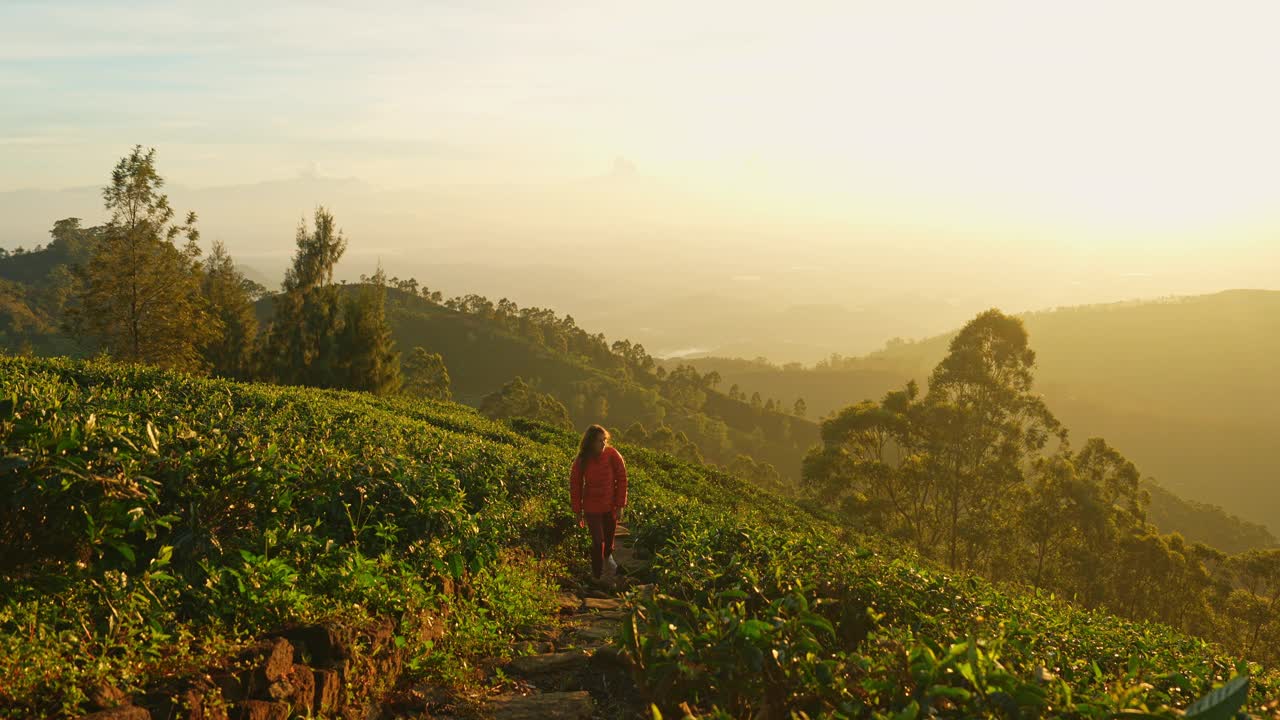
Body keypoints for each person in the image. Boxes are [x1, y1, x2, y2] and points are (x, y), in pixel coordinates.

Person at [569, 424, 628, 583]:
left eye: (604, 440)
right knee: (597, 542)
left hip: (609, 507)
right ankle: (596, 576)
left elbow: (622, 479)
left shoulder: (612, 454)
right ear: (590, 442)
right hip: (591, 508)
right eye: (599, 441)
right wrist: (577, 511)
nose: (603, 443)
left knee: (608, 544)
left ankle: (609, 570)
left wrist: (620, 505)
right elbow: (575, 485)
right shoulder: (582, 460)